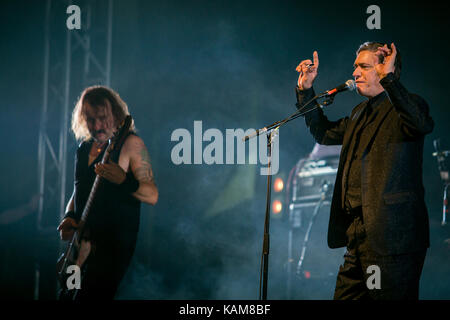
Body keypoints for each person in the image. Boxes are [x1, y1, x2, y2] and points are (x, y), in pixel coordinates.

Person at [294, 42, 434, 299]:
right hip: (358, 234)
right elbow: (323, 133)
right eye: (355, 66)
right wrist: (306, 90)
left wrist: (389, 80)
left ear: (385, 70)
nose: (355, 73)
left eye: (364, 66)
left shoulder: (408, 106)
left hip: (392, 237)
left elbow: (421, 123)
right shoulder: (359, 113)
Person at [57, 86, 158, 300]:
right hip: (79, 248)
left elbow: (151, 195)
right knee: (67, 296)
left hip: (112, 247)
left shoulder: (131, 144)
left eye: (102, 118)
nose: (97, 126)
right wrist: (69, 217)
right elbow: (78, 192)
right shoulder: (84, 148)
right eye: (90, 120)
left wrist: (123, 181)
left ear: (116, 115)